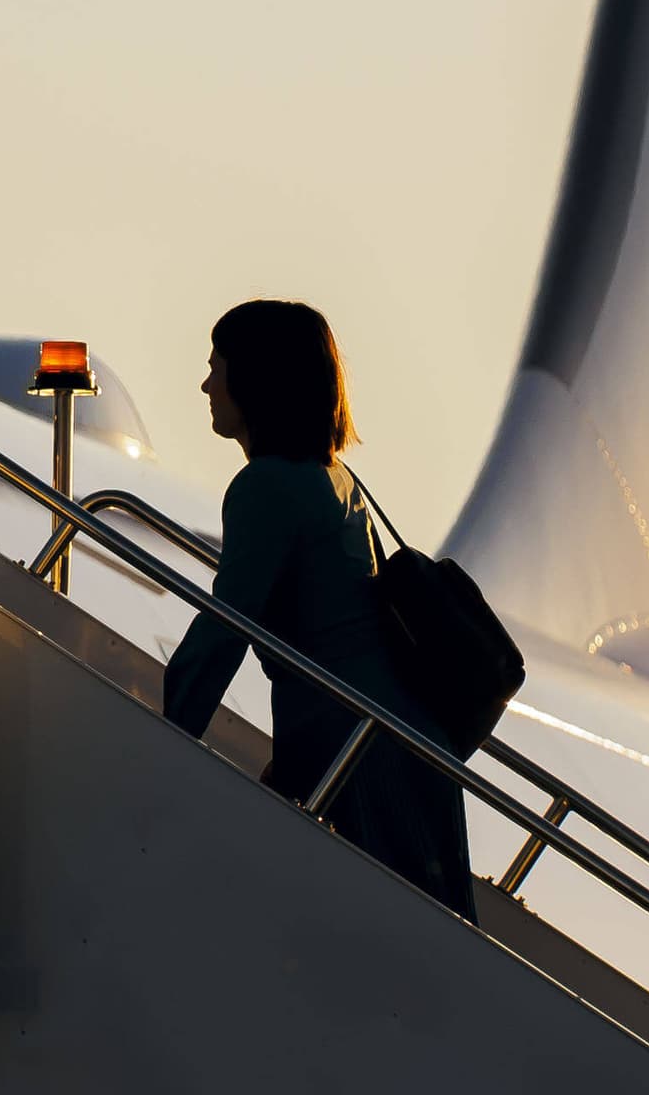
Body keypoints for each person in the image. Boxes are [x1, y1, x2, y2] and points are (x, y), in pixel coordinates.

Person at [159, 299, 473, 914]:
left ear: (255, 377)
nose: (205, 384)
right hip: (399, 737)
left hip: (358, 745)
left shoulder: (265, 487)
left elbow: (226, 625)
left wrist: (163, 733)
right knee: (435, 947)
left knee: (398, 947)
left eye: (215, 365)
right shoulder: (337, 478)